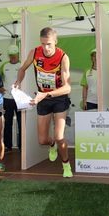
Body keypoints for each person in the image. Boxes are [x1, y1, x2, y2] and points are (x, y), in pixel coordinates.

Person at [14, 27, 73, 178]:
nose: (46, 48)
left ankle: (66, 165)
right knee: (43, 139)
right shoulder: (34, 53)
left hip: (59, 97)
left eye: (49, 44)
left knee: (59, 136)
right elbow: (22, 69)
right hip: (43, 98)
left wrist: (46, 94)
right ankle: (52, 145)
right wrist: (18, 81)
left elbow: (67, 87)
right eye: (43, 44)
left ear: (55, 42)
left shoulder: (63, 57)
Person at [0, 44, 22, 151]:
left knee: (21, 123)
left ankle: (22, 146)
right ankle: (8, 146)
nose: (13, 57)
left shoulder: (22, 65)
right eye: (11, 55)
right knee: (7, 123)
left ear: (18, 54)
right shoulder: (4, 65)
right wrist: (0, 88)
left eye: (15, 55)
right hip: (7, 98)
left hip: (19, 99)